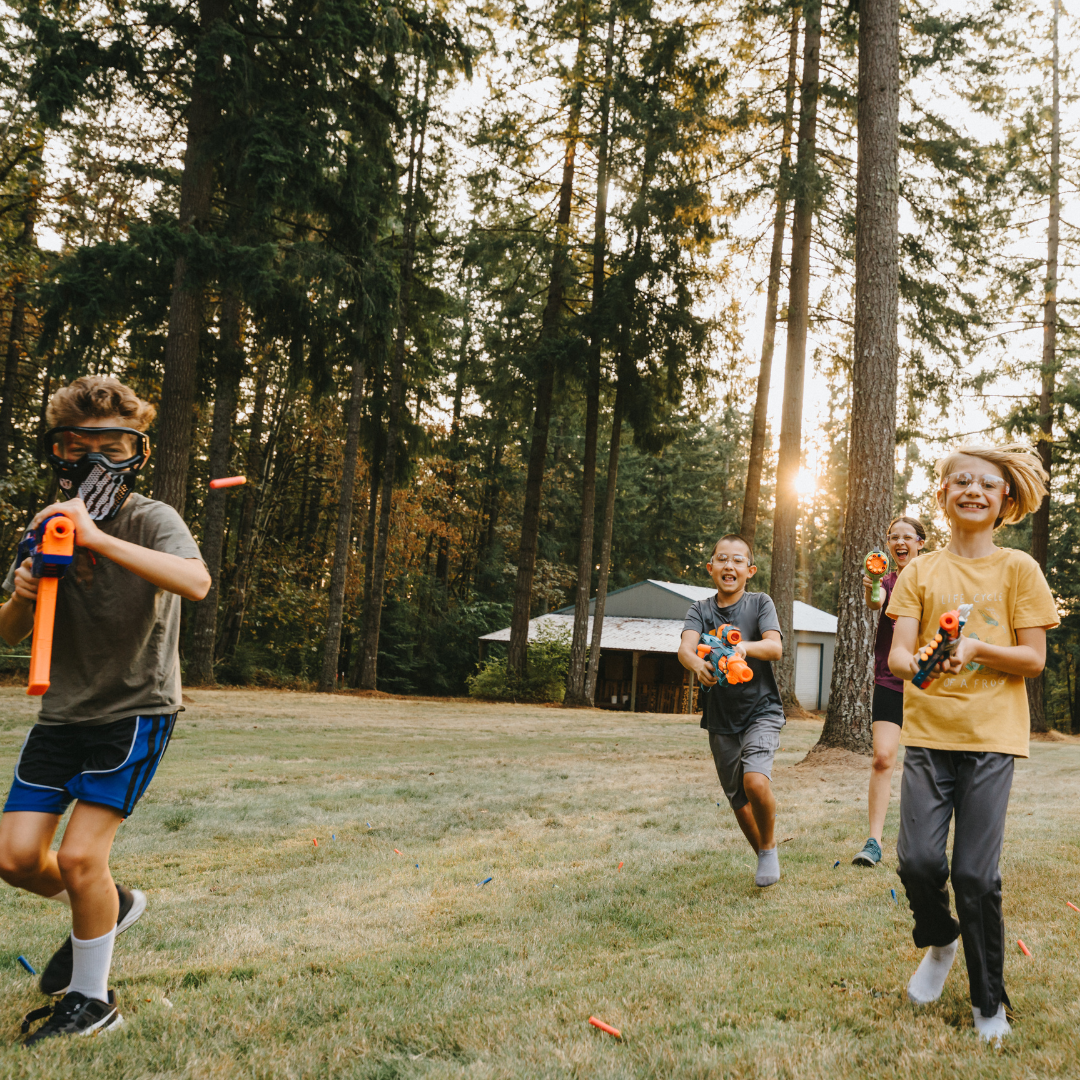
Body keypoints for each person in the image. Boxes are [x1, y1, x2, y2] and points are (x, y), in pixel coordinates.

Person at [0, 376, 210, 1046]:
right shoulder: (44, 525)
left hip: (135, 708)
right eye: (78, 446)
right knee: (15, 858)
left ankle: (93, 1002)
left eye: (111, 445)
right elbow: (7, 632)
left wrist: (97, 537)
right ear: (59, 450)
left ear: (133, 449)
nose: (95, 460)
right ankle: (112, 906)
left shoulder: (152, 519)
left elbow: (195, 582)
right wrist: (25, 594)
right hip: (62, 714)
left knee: (82, 858)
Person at [886, 443, 1057, 1043]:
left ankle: (990, 1004)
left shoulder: (1018, 570)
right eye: (961, 481)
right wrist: (925, 661)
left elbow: (1033, 659)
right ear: (943, 495)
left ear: (1005, 499)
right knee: (918, 862)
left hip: (991, 740)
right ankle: (940, 940)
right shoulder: (920, 570)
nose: (974, 491)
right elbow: (898, 655)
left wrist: (979, 649)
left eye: (987, 483)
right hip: (930, 737)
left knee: (976, 876)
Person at [678, 534, 784, 888]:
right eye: (722, 559)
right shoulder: (700, 610)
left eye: (738, 560)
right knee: (738, 799)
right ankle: (764, 853)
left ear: (749, 570)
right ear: (711, 568)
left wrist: (744, 651)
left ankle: (768, 848)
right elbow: (685, 648)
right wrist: (697, 664)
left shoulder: (760, 603)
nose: (729, 566)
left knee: (754, 781)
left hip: (761, 709)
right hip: (720, 718)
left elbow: (774, 647)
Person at [852, 516, 926, 867]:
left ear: (920, 542)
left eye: (907, 536)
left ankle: (923, 842)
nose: (899, 542)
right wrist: (871, 587)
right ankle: (874, 842)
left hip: (929, 682)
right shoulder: (886, 580)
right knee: (883, 758)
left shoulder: (932, 576)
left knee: (927, 765)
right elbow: (874, 602)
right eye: (893, 537)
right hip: (889, 681)